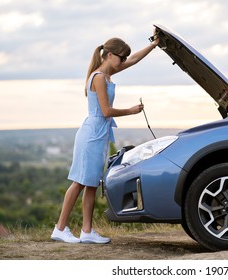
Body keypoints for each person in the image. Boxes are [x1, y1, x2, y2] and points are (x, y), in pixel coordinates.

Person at [51, 30, 159, 244]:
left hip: (98, 134)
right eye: (121, 58)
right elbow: (106, 111)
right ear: (110, 55)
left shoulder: (108, 74)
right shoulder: (99, 78)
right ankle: (60, 228)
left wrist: (155, 44)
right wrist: (131, 110)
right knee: (80, 183)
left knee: (91, 183)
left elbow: (135, 59)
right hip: (92, 135)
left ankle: (87, 231)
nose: (124, 62)